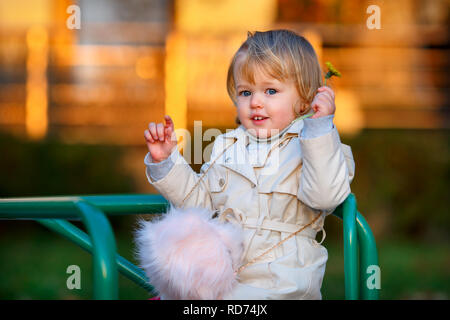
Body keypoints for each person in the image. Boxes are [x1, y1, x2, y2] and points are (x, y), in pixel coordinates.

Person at [142, 29, 355, 299]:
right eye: (245, 92)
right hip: (225, 276)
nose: (255, 101)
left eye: (270, 90)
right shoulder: (226, 146)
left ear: (305, 98)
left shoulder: (317, 145)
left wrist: (320, 130)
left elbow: (325, 197)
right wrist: (166, 161)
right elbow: (200, 205)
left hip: (282, 281)